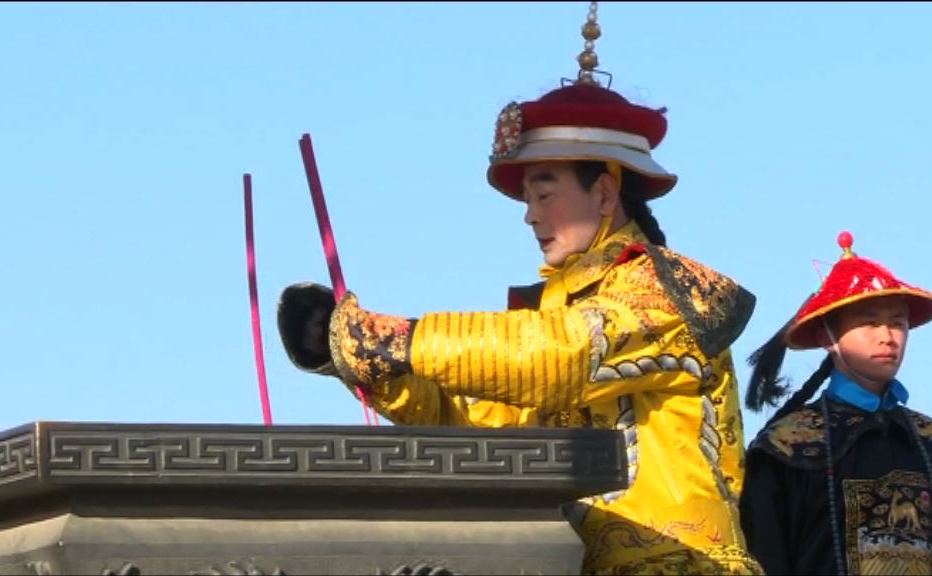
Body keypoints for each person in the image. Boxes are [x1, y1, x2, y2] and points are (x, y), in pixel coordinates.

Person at [277, 4, 763, 573]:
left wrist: (398, 339)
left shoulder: (671, 290)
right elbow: (477, 425)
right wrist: (376, 370)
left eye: (544, 193)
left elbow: (564, 354)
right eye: (528, 199)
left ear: (605, 193)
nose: (530, 215)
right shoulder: (542, 315)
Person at [739, 231, 932, 575]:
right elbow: (764, 557)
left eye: (897, 323)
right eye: (870, 322)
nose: (887, 337)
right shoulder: (786, 448)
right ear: (828, 337)